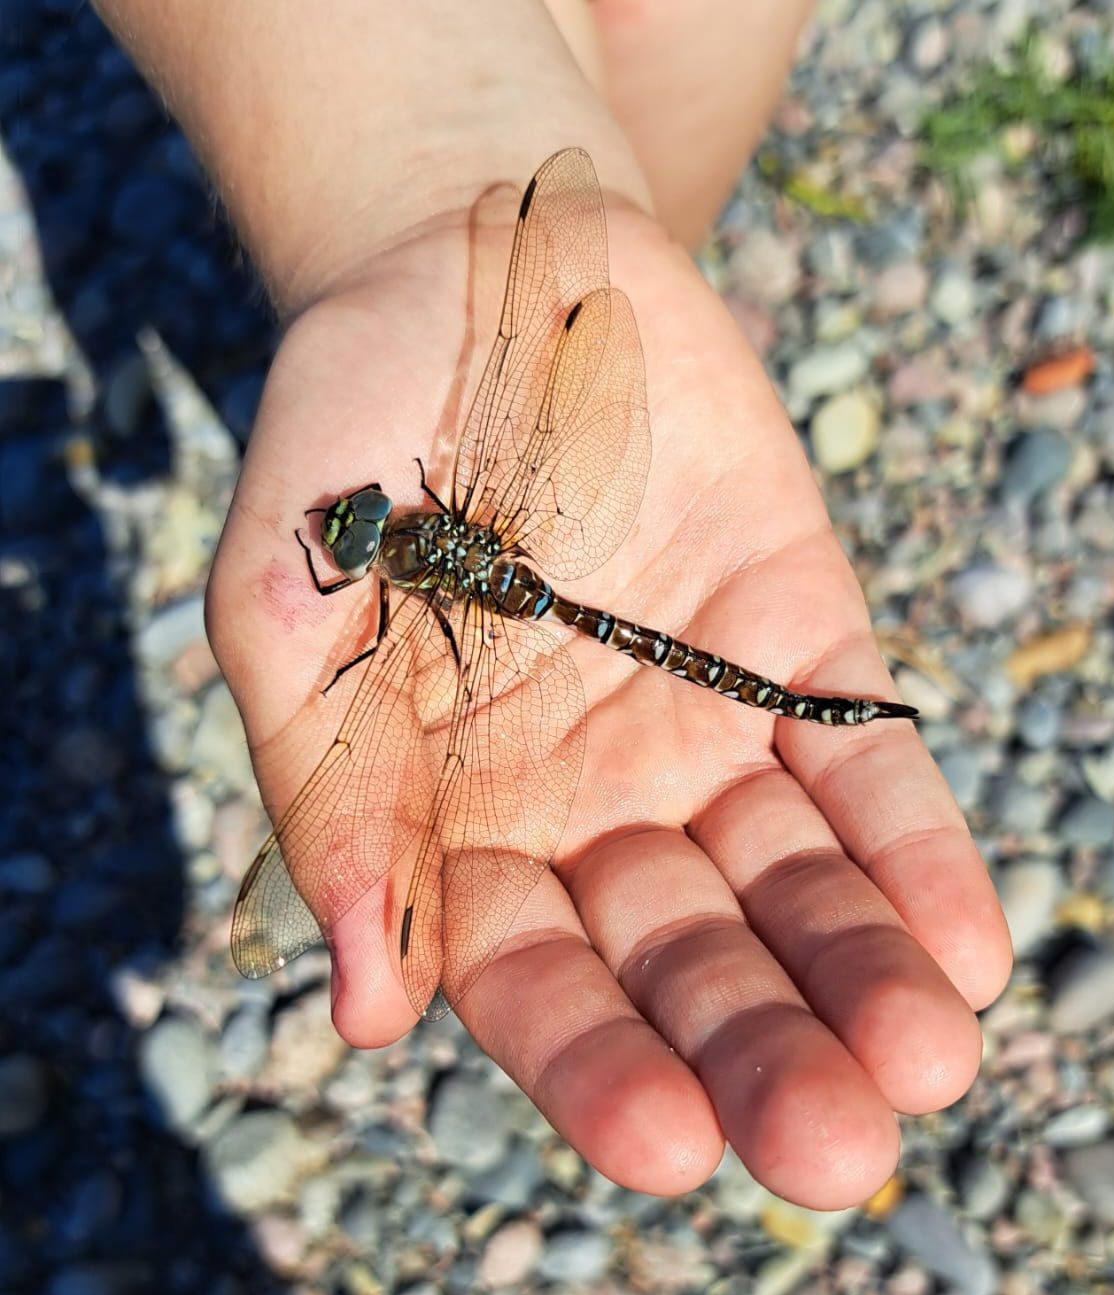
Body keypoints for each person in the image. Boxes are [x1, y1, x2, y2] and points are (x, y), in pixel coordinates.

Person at [94, 0, 1012, 1209]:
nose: (357, 527)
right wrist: (413, 213)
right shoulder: (450, 516)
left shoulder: (401, 590)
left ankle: (645, 204)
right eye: (362, 532)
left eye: (359, 532)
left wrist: (441, 202)